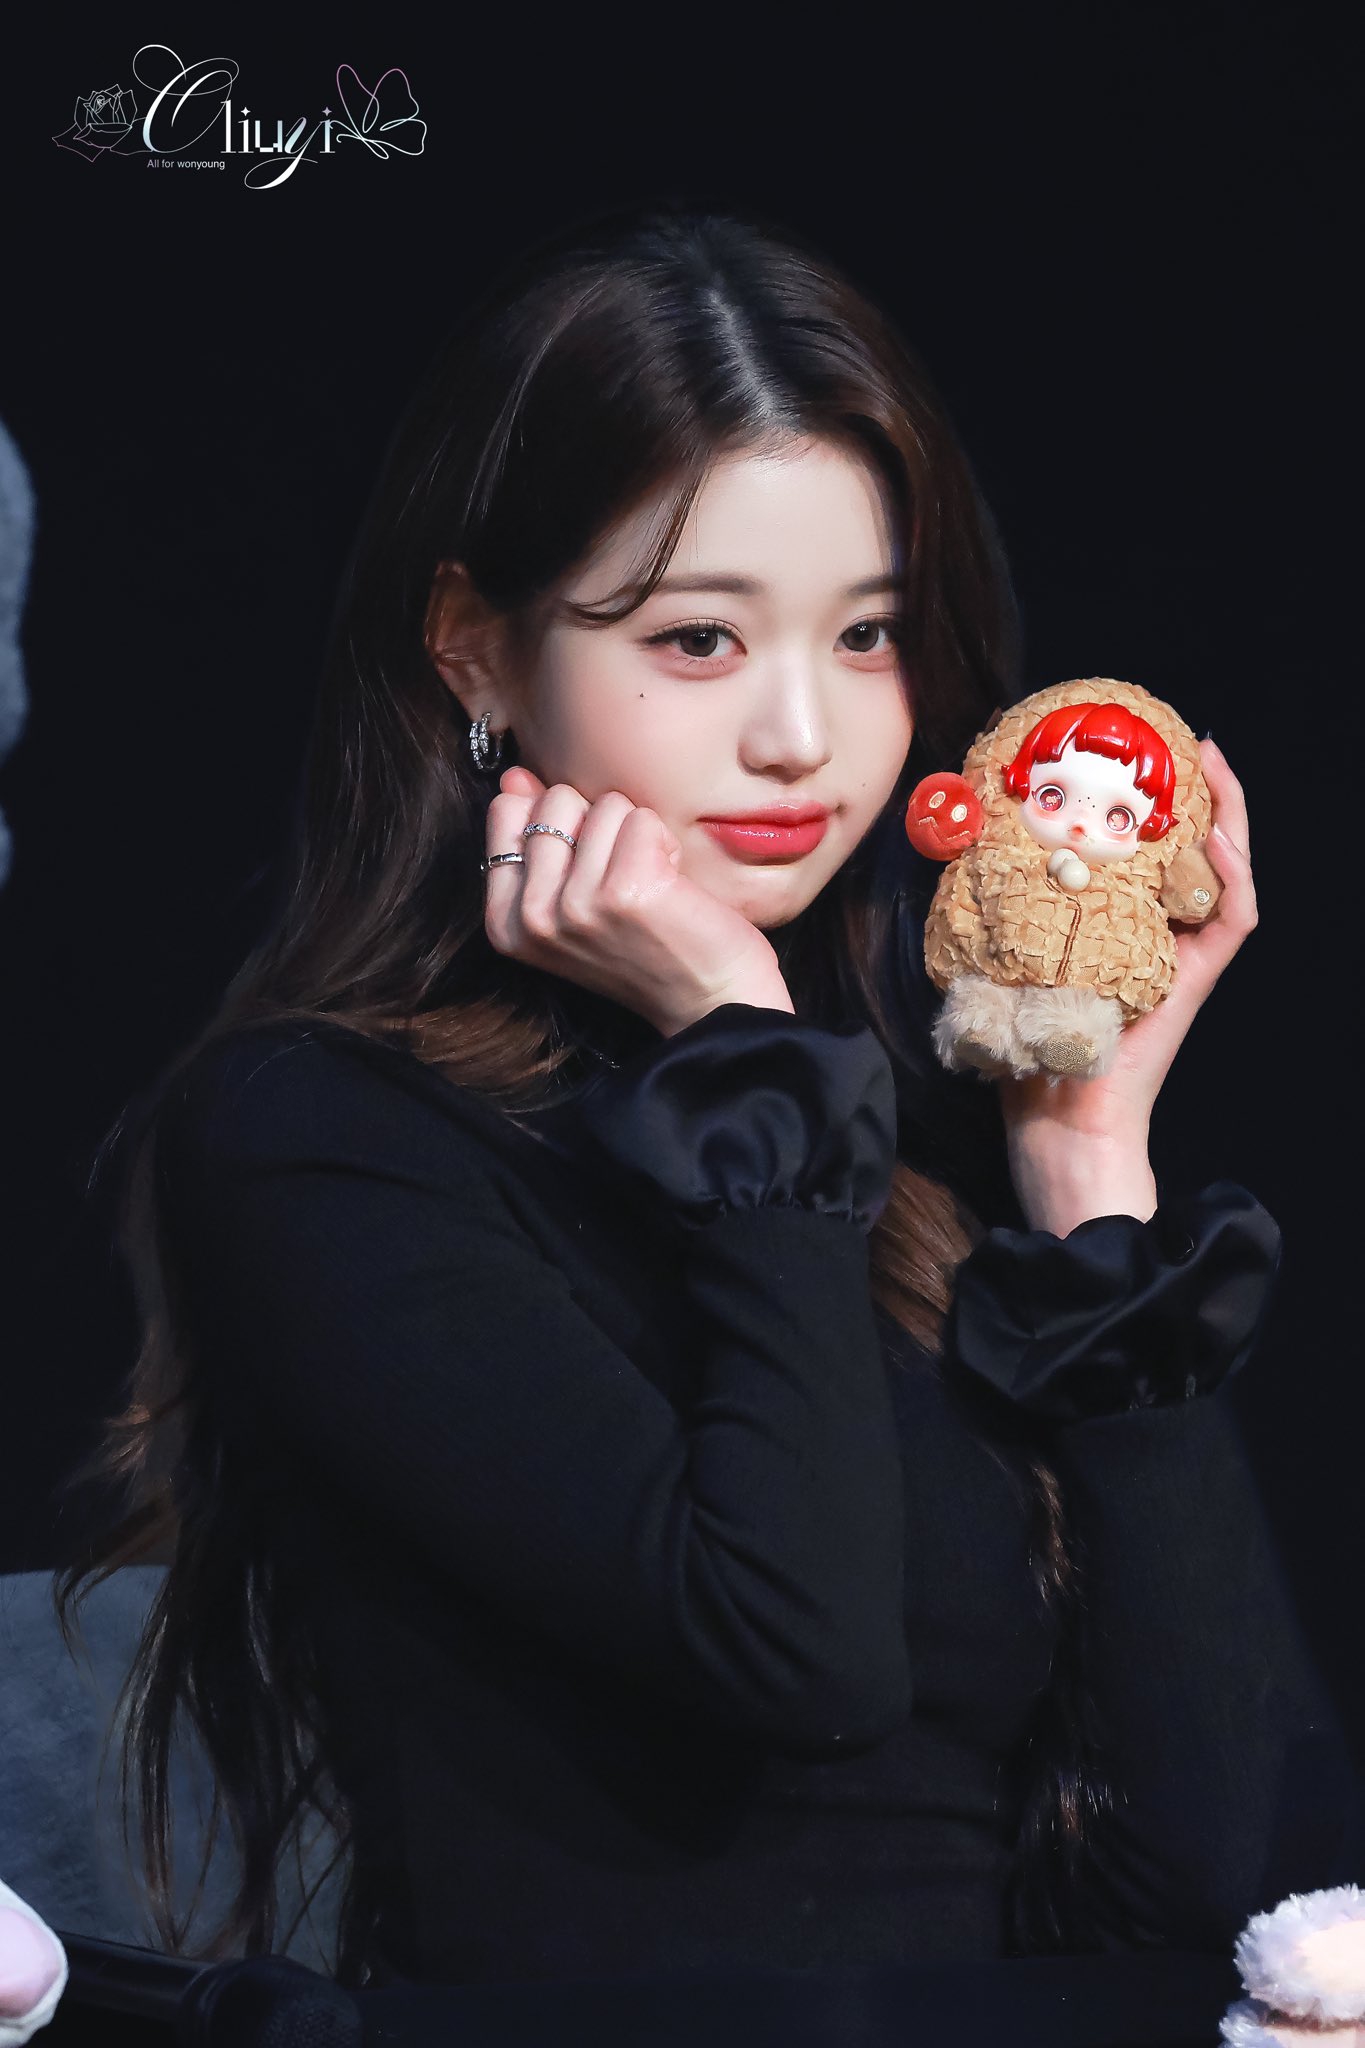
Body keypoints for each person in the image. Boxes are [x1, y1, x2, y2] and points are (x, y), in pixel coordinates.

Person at [52, 200, 1361, 1995]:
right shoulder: (315, 1135)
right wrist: (743, 1051)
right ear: (473, 648)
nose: (800, 738)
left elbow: (1223, 1874)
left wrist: (1082, 1164)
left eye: (867, 635)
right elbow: (796, 1658)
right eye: (695, 640)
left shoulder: (913, 1127)